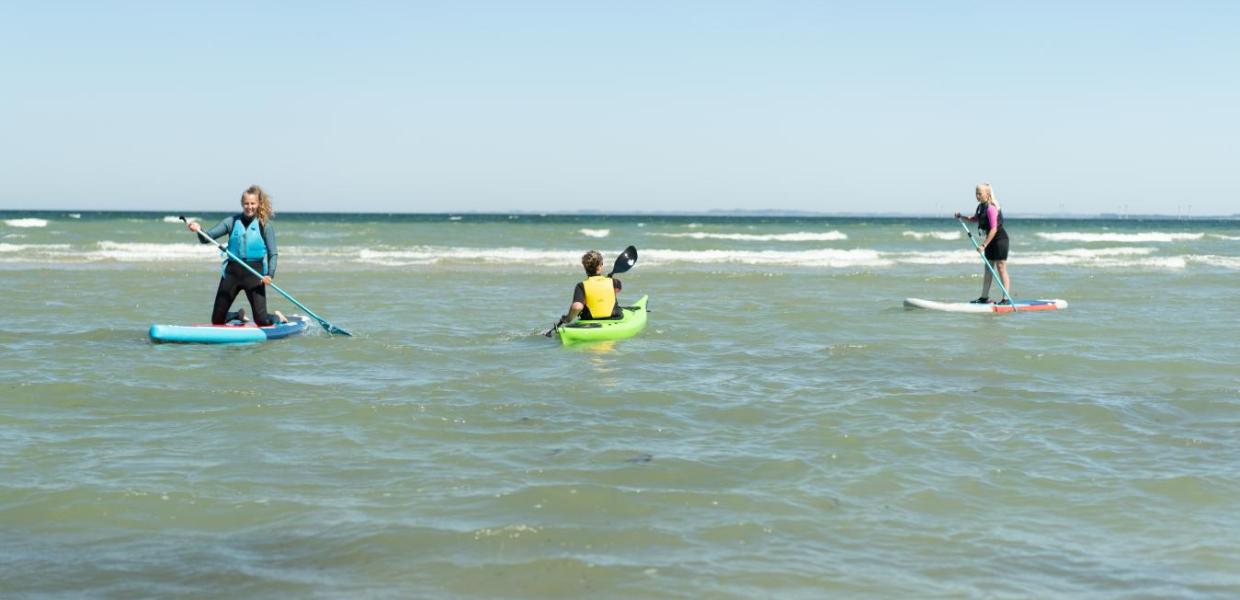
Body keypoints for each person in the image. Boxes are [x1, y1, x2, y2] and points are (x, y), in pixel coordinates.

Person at [187, 185, 287, 325]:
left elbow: (273, 253)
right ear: (242, 204)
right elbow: (206, 238)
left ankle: (278, 317)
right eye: (246, 203)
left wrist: (269, 274)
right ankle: (237, 315)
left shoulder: (264, 226)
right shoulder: (231, 222)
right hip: (232, 273)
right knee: (217, 320)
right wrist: (198, 229)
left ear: (258, 204)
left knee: (262, 321)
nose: (249, 207)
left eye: (253, 203)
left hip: (255, 274)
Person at [954, 182, 1011, 304]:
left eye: (979, 193)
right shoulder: (980, 207)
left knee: (1001, 267)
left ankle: (1005, 298)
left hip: (1000, 239)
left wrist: (983, 245)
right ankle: (984, 297)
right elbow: (975, 219)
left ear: (987, 194)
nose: (977, 196)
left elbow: (994, 229)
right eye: (976, 193)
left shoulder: (991, 208)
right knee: (988, 269)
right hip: (990, 240)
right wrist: (961, 217)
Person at [557, 250, 623, 326]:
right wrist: (607, 279)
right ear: (601, 265)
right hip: (613, 318)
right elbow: (617, 289)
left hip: (590, 321)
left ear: (585, 267)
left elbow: (577, 307)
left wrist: (568, 318)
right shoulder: (614, 282)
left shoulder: (581, 286)